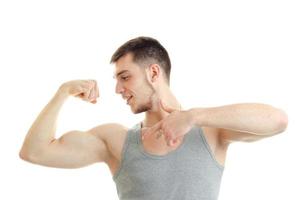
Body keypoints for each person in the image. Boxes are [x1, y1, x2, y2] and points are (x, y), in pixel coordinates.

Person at [19, 36, 288, 200]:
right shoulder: (116, 140)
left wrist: (193, 116)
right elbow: (34, 152)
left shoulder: (211, 131)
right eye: (116, 80)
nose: (117, 89)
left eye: (125, 77)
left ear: (154, 73)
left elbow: (277, 120)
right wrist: (62, 93)